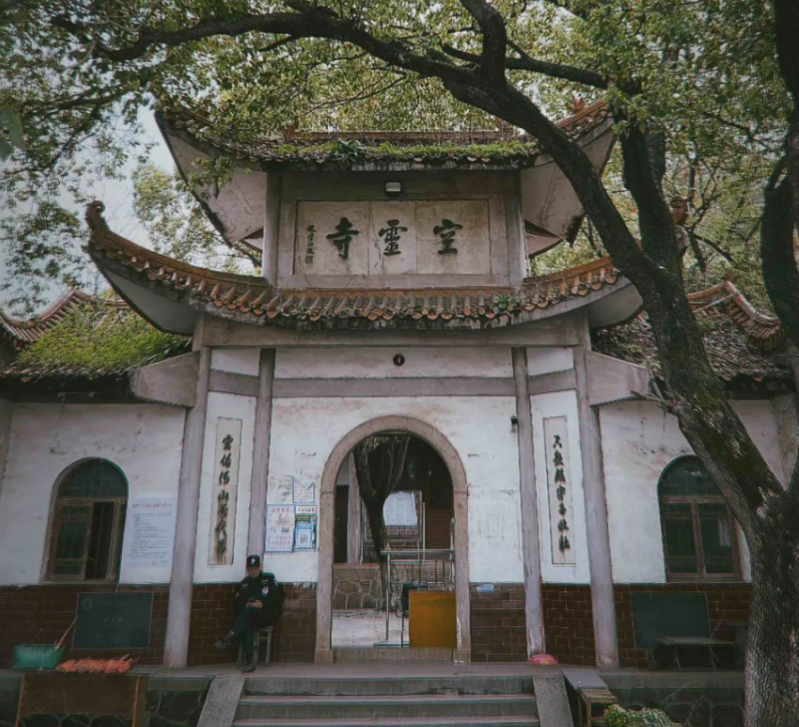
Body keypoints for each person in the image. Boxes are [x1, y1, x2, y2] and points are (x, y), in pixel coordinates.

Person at [215, 554, 283, 672]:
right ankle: (250, 661)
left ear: (260, 567)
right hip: (250, 617)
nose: (253, 571)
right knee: (248, 624)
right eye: (250, 568)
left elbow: (277, 598)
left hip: (264, 615)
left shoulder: (269, 580)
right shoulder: (244, 584)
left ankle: (229, 636)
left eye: (255, 568)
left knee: (249, 615)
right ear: (247, 569)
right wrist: (245, 604)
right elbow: (236, 603)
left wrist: (262, 604)